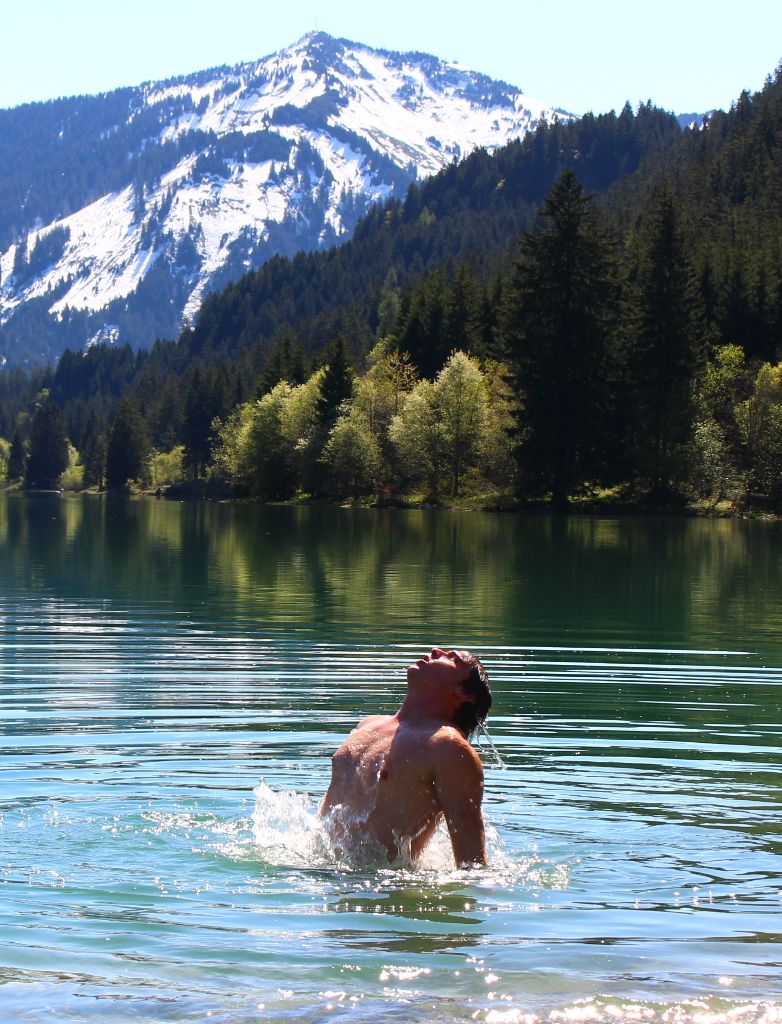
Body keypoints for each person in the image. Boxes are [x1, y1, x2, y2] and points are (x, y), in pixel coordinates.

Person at [319, 647, 491, 867]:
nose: (436, 650)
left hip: (380, 890)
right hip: (321, 877)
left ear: (464, 693)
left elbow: (472, 864)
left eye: (452, 658)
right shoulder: (368, 725)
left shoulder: (448, 748)